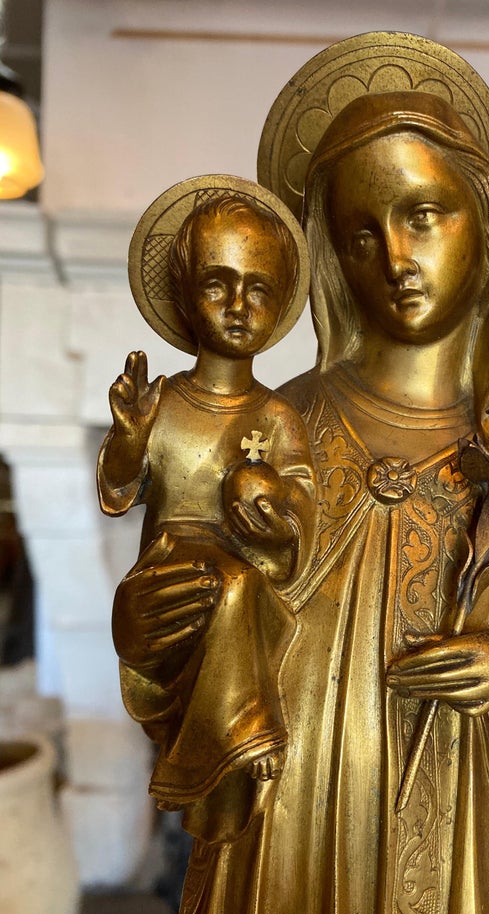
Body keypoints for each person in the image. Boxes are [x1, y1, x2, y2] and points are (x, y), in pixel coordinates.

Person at [112, 52, 489, 914]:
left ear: (485, 228)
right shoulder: (273, 425)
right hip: (286, 837)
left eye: (425, 214)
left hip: (450, 837)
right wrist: (151, 625)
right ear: (330, 255)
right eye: (361, 231)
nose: (395, 257)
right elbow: (188, 598)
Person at [99, 184, 315, 841]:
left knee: (237, 585)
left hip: (246, 592)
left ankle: (234, 745)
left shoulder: (277, 417)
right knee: (225, 586)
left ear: (280, 301)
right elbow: (118, 493)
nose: (239, 305)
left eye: (259, 288)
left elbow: (303, 508)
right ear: (186, 293)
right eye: (219, 284)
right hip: (166, 577)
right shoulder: (163, 402)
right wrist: (130, 440)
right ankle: (234, 741)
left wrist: (275, 514)